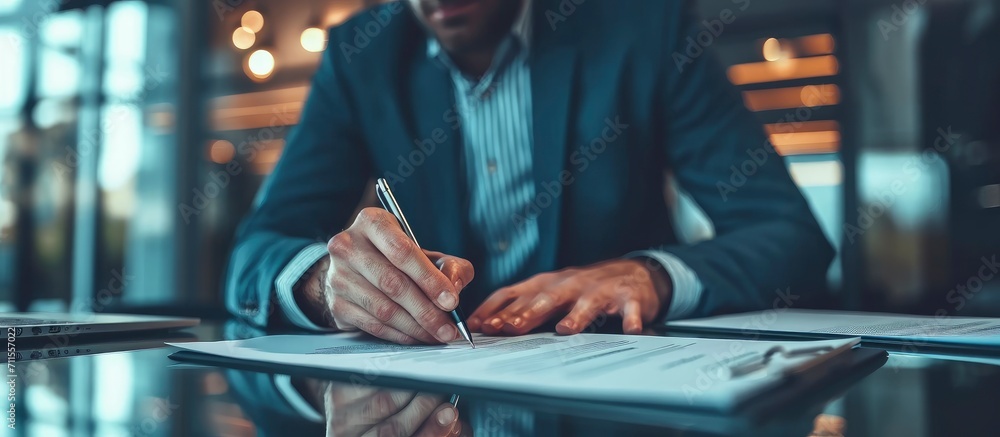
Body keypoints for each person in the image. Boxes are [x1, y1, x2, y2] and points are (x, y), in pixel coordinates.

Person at [226, 0, 833, 345]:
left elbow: (791, 237)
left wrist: (654, 275)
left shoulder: (644, 29)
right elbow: (256, 251)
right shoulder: (362, 57)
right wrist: (325, 284)